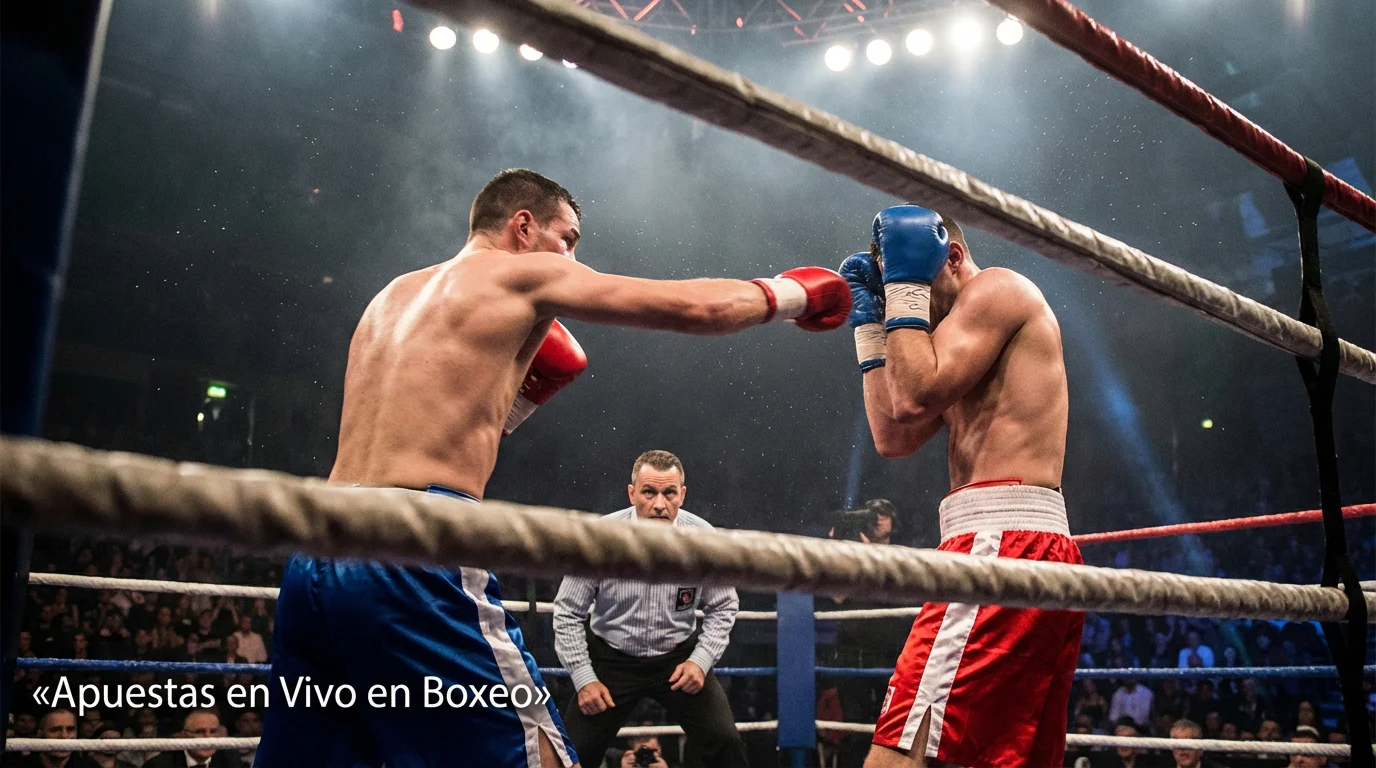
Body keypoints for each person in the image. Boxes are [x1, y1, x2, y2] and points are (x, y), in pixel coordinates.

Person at [256, 169, 850, 768]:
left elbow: (441, 422)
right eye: (567, 238)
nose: (572, 256)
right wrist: (796, 294)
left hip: (317, 551)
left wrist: (518, 398)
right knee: (536, 755)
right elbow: (696, 309)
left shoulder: (393, 295)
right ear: (523, 226)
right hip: (417, 543)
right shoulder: (521, 272)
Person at [847, 205, 1082, 767]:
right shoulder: (957, 343)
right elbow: (891, 435)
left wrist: (901, 292)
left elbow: (910, 397)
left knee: (901, 751)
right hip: (1009, 544)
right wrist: (870, 323)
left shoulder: (998, 289)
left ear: (950, 258)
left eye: (914, 287)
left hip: (999, 542)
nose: (912, 307)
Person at [554, 451, 746, 768]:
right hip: (610, 658)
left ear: (681, 495)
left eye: (669, 493)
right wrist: (584, 678)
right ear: (632, 494)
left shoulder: (703, 539)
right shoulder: (601, 537)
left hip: (677, 658)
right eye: (649, 492)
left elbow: (724, 606)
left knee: (726, 743)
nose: (659, 504)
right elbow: (567, 612)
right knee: (569, 755)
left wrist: (700, 661)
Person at [144, 710, 239, 768]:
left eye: (213, 731)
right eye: (200, 732)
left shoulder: (231, 762)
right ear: (185, 735)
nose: (208, 737)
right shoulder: (159, 765)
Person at [10, 708, 100, 768]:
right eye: (55, 730)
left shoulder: (89, 766)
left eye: (70, 729)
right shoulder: (18, 766)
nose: (64, 736)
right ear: (40, 733)